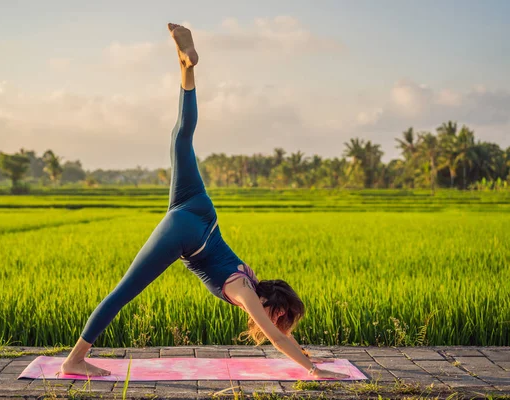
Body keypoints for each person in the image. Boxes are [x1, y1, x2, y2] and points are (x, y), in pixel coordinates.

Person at [61, 23, 349, 380]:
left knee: (181, 137)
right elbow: (275, 337)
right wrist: (312, 370)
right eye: (279, 317)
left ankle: (187, 68)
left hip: (199, 207)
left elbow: (278, 331)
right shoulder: (245, 292)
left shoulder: (250, 276)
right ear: (272, 308)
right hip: (186, 233)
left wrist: (308, 355)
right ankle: (74, 360)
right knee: (122, 293)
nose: (273, 324)